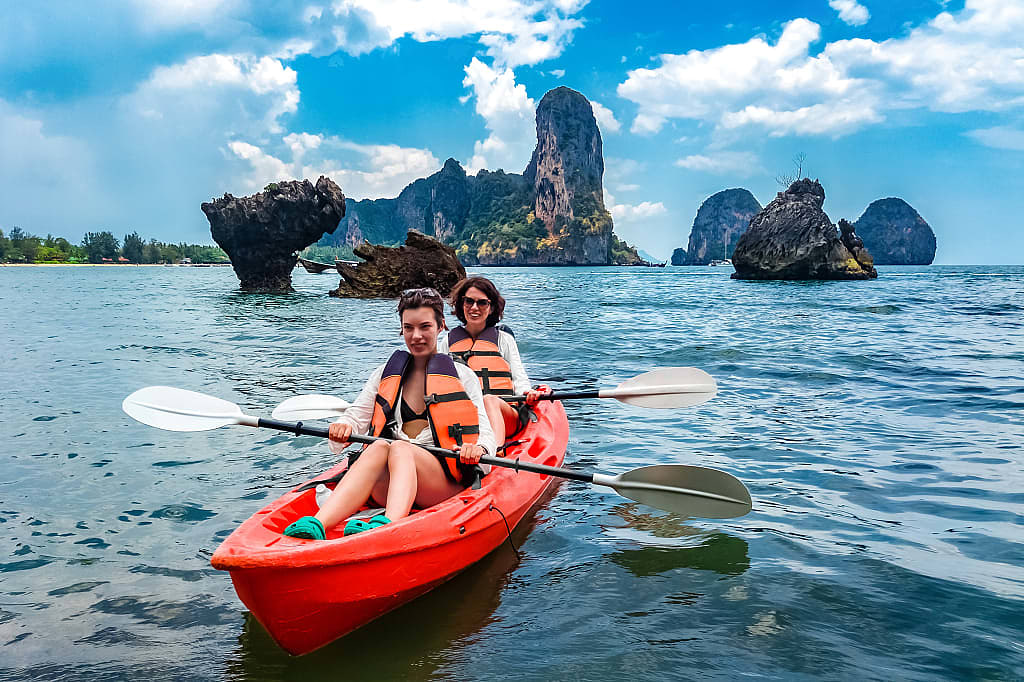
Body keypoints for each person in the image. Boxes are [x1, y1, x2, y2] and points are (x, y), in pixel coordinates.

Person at [283, 288, 496, 540]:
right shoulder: (386, 373)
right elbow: (356, 416)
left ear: (441, 326)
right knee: (379, 447)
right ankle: (319, 523)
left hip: (440, 482)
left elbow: (486, 433)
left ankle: (389, 525)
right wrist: (343, 427)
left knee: (399, 447)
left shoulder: (463, 376)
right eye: (409, 328)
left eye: (425, 327)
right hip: (389, 484)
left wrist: (479, 449)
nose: (416, 336)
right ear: (401, 329)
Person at [438, 276, 549, 448]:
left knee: (489, 400)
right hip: (468, 419)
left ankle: (493, 451)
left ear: (491, 308)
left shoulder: (503, 340)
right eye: (469, 301)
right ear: (461, 304)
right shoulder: (447, 342)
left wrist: (526, 392)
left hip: (504, 415)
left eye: (482, 303)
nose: (474, 308)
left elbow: (519, 377)